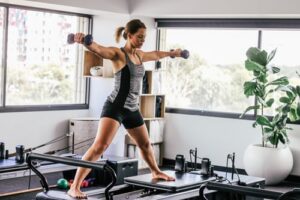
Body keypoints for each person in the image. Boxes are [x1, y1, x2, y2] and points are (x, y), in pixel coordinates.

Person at [68, 19, 185, 199]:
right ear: (129, 36)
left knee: (145, 144)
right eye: (139, 37)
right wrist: (86, 41)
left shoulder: (139, 55)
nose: (142, 40)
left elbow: (155, 54)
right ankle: (74, 186)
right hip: (115, 107)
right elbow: (100, 50)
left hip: (132, 108)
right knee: (100, 146)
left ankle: (156, 171)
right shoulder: (118, 54)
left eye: (144, 37)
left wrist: (173, 53)